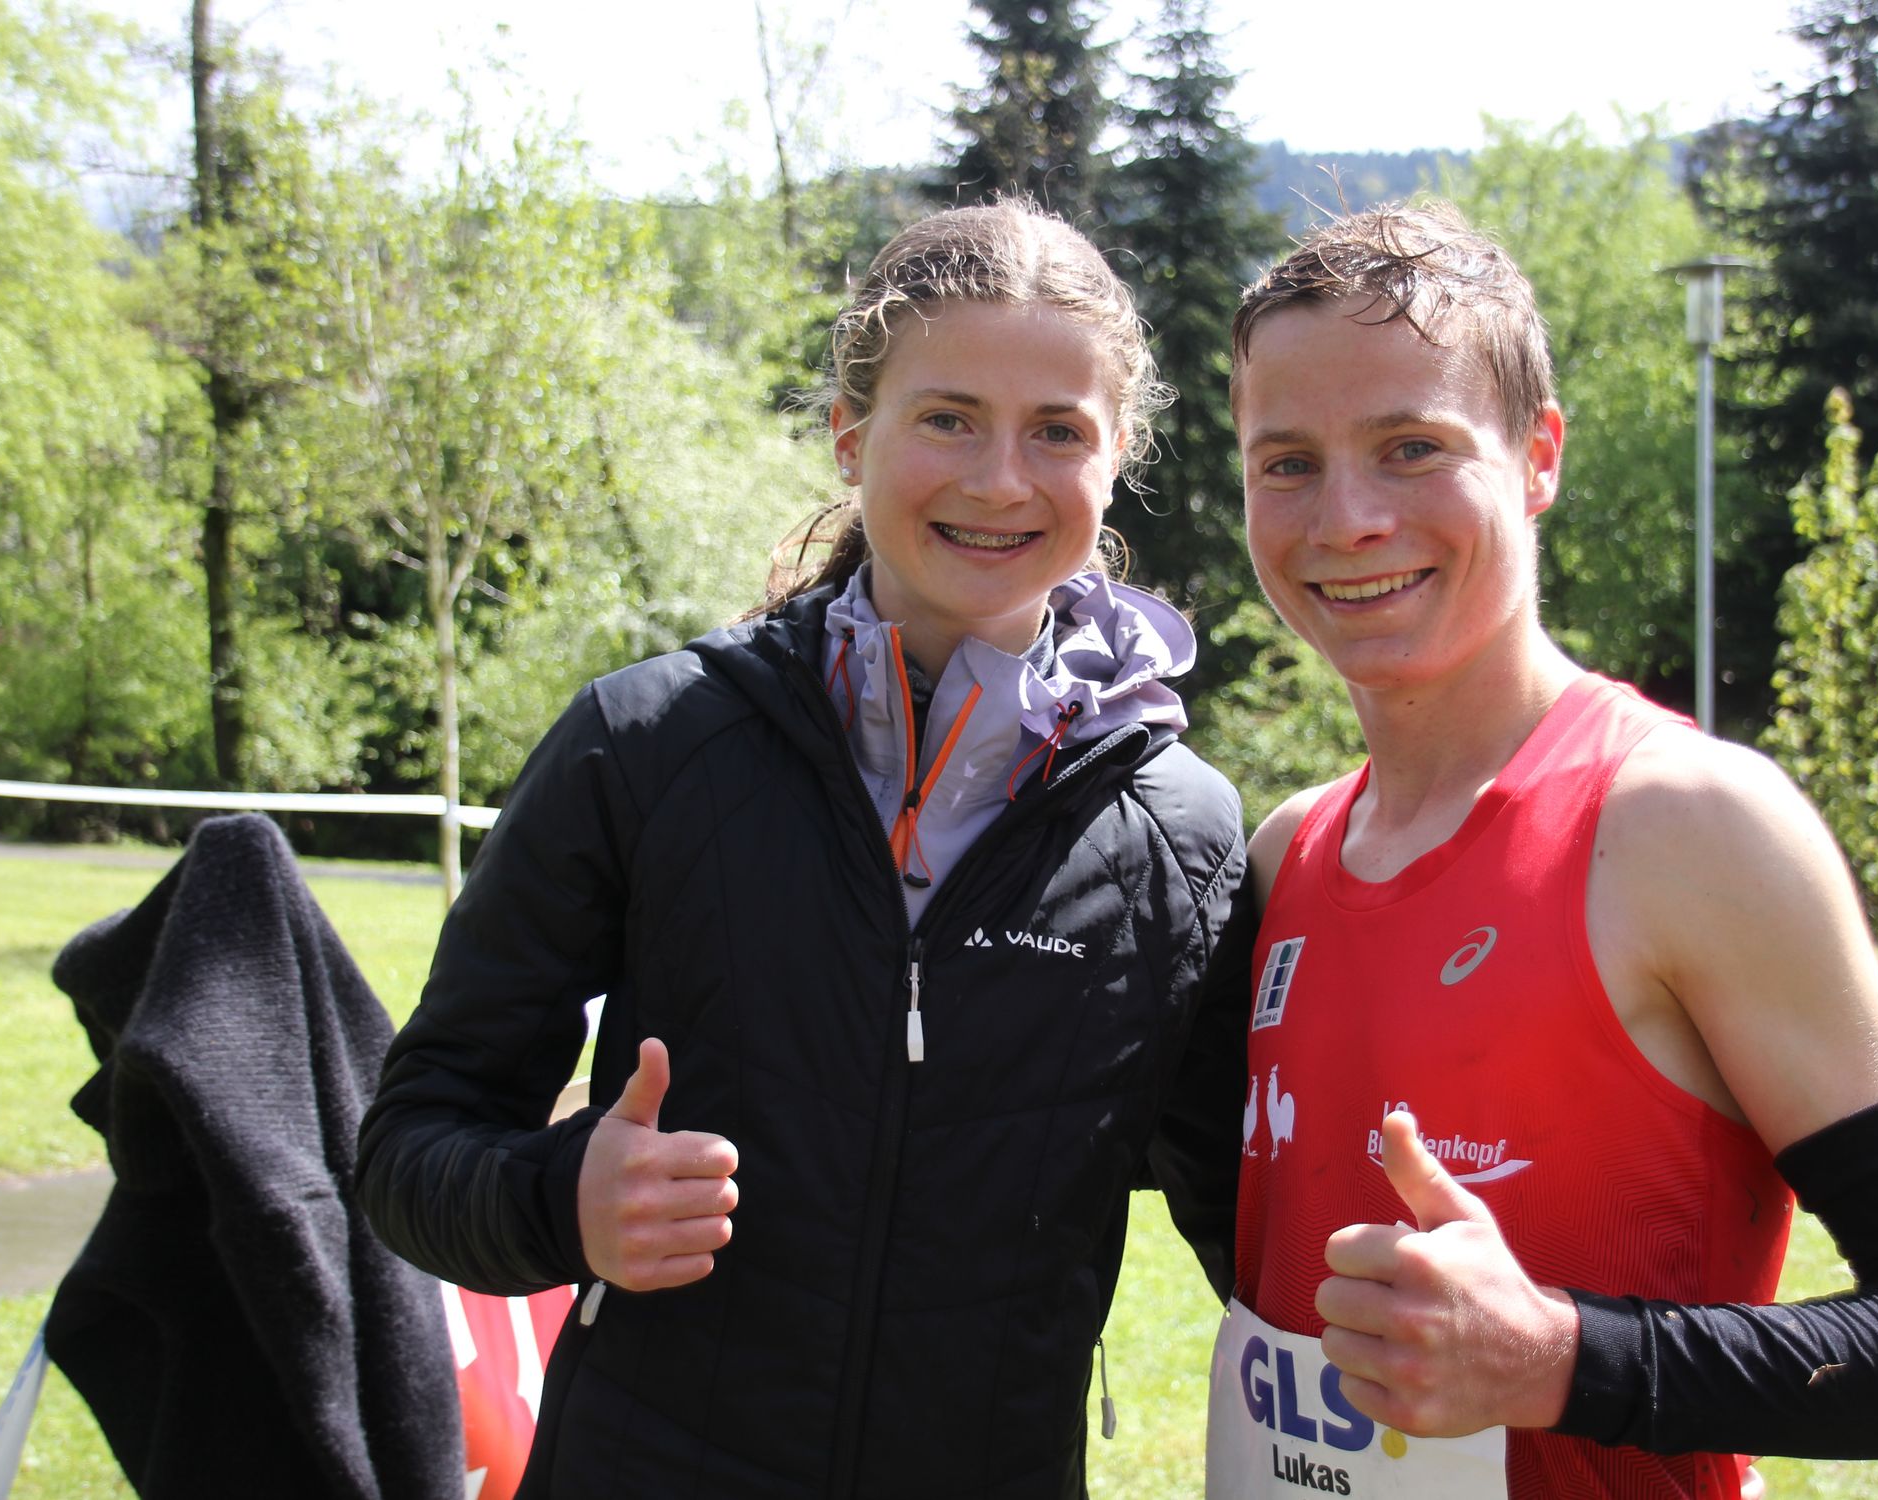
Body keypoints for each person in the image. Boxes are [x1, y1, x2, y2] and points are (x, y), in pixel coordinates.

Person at [357, 199, 1250, 1499]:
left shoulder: (1181, 834)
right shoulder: (649, 745)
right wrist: (564, 1198)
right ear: (849, 433)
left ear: (1115, 460)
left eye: (1057, 431)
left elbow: (1261, 1234)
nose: (1001, 479)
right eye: (947, 418)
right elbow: (408, 1149)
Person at [1207, 201, 1878, 1498]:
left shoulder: (1685, 825)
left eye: (1412, 447)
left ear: (1537, 455)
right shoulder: (1285, 856)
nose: (1347, 516)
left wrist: (1560, 1359)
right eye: (1286, 463)